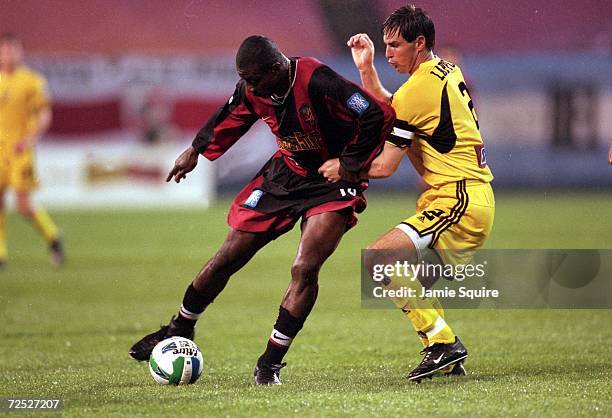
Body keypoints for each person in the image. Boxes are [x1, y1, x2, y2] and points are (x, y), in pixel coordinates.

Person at [129, 35, 395, 385]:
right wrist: (195, 150)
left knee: (305, 267)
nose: (247, 86)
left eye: (253, 79)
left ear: (276, 68)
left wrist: (348, 164)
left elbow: (375, 115)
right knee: (228, 255)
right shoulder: (254, 88)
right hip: (285, 175)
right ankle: (179, 328)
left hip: (331, 183)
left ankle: (268, 365)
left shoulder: (317, 78)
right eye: (244, 79)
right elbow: (231, 114)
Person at [319, 5, 495, 382]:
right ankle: (444, 348)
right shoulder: (443, 71)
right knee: (403, 276)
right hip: (466, 199)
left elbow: (384, 166)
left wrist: (343, 168)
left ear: (420, 43)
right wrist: (366, 69)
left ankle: (442, 345)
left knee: (379, 260)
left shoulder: (419, 88)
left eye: (395, 45)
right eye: (385, 46)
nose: (389, 53)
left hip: (458, 200)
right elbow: (397, 108)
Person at [0, 33, 64, 269]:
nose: (8, 55)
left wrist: (30, 139)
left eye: (12, 50)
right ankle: (1, 254)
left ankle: (53, 236)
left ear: (20, 53)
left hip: (20, 150)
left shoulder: (32, 81)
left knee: (22, 205)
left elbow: (44, 114)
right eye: (4, 50)